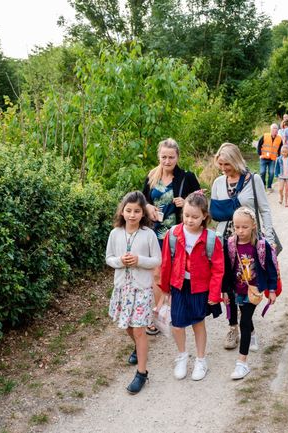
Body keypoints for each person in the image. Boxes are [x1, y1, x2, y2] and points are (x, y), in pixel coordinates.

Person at [210, 142, 276, 350]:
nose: (223, 169)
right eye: (220, 165)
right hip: (225, 241)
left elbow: (264, 210)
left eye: (227, 164)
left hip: (249, 241)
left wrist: (270, 239)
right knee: (227, 284)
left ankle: (248, 325)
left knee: (249, 281)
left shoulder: (253, 180)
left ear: (236, 160)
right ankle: (233, 327)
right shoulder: (218, 183)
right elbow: (214, 215)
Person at [159, 192, 223, 381]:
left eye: (195, 217)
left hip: (200, 287)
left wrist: (214, 293)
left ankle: (201, 359)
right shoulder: (173, 234)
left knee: (198, 322)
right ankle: (182, 355)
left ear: (204, 216)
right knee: (177, 324)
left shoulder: (211, 239)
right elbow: (165, 263)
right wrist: (164, 289)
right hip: (178, 285)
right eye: (186, 215)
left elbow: (218, 269)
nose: (189, 220)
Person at [142, 138, 201, 335]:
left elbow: (200, 203)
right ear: (158, 156)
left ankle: (176, 309)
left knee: (176, 274)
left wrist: (185, 203)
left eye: (171, 157)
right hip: (154, 234)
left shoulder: (187, 177)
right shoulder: (151, 177)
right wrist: (148, 206)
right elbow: (142, 201)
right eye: (163, 157)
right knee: (157, 274)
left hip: (177, 235)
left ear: (177, 157)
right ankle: (159, 312)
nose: (167, 161)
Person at [105, 191, 162, 394]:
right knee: (128, 327)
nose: (132, 215)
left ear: (143, 213)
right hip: (122, 289)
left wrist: (139, 260)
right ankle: (139, 348)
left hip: (142, 289)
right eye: (128, 210)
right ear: (122, 211)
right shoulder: (115, 234)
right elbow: (109, 258)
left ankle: (142, 373)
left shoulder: (148, 234)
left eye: (137, 211)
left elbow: (157, 260)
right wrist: (119, 261)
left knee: (139, 329)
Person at [222, 207, 278, 379]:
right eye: (237, 227)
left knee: (244, 320)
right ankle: (252, 334)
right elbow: (225, 269)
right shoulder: (230, 244)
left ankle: (242, 364)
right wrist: (224, 290)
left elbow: (270, 268)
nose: (240, 231)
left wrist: (272, 289)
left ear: (253, 225)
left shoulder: (261, 246)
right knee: (244, 318)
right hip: (236, 289)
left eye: (244, 227)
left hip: (254, 290)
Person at [256, 123, 282, 191]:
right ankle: (263, 185)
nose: (275, 131)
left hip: (272, 159)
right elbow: (259, 145)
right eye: (274, 129)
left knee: (271, 173)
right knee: (262, 172)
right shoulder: (265, 136)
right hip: (263, 158)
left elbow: (280, 149)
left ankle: (269, 186)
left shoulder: (279, 139)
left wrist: (279, 157)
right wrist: (259, 154)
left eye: (276, 130)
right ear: (271, 130)